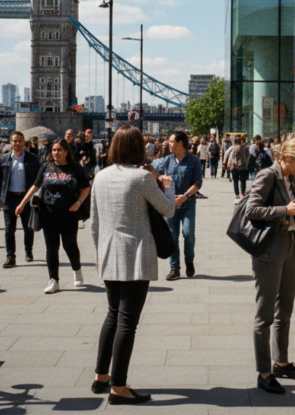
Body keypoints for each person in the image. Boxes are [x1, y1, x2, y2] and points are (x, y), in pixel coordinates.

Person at [90, 125, 176, 405]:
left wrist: (99, 250)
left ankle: (101, 375)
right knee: (128, 321)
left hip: (108, 252)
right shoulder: (141, 178)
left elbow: (94, 223)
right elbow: (168, 210)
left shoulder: (100, 177)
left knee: (113, 314)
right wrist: (168, 187)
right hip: (136, 255)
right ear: (139, 148)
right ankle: (119, 387)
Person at [245, 136, 295, 394]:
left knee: (285, 310)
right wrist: (284, 211)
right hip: (268, 251)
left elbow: (293, 209)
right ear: (287, 157)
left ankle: (281, 362)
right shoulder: (267, 175)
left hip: (291, 247)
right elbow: (251, 210)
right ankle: (264, 372)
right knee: (264, 313)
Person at [15, 138, 90, 293]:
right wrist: (22, 203)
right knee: (51, 247)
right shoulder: (46, 167)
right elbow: (35, 186)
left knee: (70, 245)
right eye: (54, 150)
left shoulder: (75, 168)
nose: (55, 153)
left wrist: (78, 202)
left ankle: (77, 270)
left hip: (69, 214)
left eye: (59, 150)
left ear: (66, 152)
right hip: (48, 213)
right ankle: (53, 280)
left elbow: (85, 188)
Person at [158, 131, 203, 281]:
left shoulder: (194, 161)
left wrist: (185, 196)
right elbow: (153, 173)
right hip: (170, 204)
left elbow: (198, 183)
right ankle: (174, 268)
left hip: (188, 204)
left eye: (171, 142)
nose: (168, 144)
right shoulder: (166, 161)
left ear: (180, 143)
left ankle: (189, 260)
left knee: (188, 233)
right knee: (172, 236)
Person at [0, 131, 40, 268]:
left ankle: (28, 251)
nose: (17, 143)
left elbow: (39, 179)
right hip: (9, 198)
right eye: (15, 141)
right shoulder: (4, 159)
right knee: (9, 229)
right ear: (11, 142)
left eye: (20, 141)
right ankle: (10, 256)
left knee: (28, 228)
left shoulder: (33, 159)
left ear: (24, 142)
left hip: (26, 198)